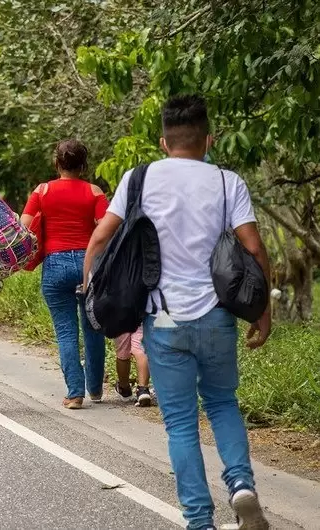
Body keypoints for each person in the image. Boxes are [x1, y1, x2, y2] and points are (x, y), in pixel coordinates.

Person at [84, 94, 272, 530]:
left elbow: (98, 240)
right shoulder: (228, 182)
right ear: (209, 140)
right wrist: (263, 312)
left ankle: (199, 520)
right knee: (223, 402)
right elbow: (254, 248)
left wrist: (92, 298)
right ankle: (241, 485)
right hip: (217, 316)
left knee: (181, 424)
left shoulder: (138, 178)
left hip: (163, 319)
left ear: (164, 142)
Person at [20, 139, 108, 410]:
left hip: (55, 264)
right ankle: (95, 388)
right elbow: (106, 231)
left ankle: (74, 393)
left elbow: (24, 227)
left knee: (66, 331)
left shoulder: (42, 191)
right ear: (83, 165)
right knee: (93, 326)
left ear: (56, 162)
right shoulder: (94, 192)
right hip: (88, 263)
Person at [113, 329, 152, 407]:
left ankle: (124, 388)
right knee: (141, 349)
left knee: (122, 353)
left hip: (120, 319)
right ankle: (143, 389)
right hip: (140, 317)